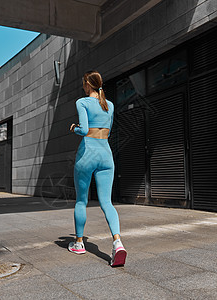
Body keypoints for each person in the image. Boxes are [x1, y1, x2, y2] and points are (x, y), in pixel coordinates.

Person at [68, 70, 127, 267]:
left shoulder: (82, 102)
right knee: (107, 203)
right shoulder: (109, 105)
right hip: (106, 155)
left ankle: (78, 243)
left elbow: (84, 130)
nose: (82, 87)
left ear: (87, 84)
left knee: (81, 201)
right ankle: (117, 242)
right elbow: (107, 131)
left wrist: (74, 128)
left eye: (83, 83)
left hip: (87, 155)